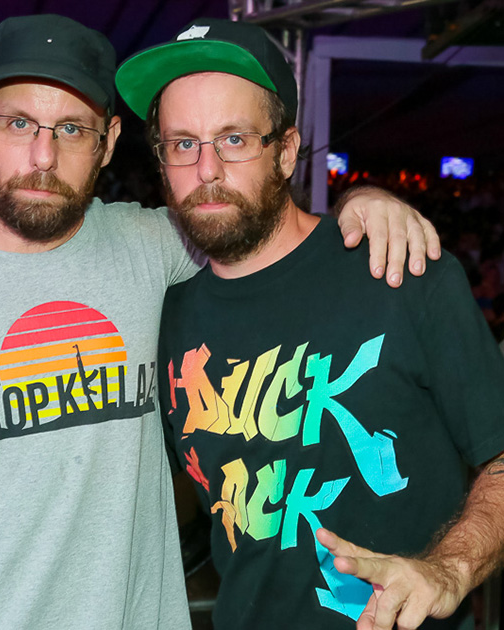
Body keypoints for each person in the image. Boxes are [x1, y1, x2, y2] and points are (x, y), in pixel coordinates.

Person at [0, 13, 439, 630]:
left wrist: (365, 201)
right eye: (17, 123)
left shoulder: (153, 246)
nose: (43, 155)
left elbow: (263, 219)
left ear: (109, 141)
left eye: (72, 128)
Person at [113, 17, 504, 630]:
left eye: (234, 138)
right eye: (183, 143)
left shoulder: (397, 270)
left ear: (287, 149)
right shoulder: (166, 317)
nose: (206, 169)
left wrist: (448, 570)